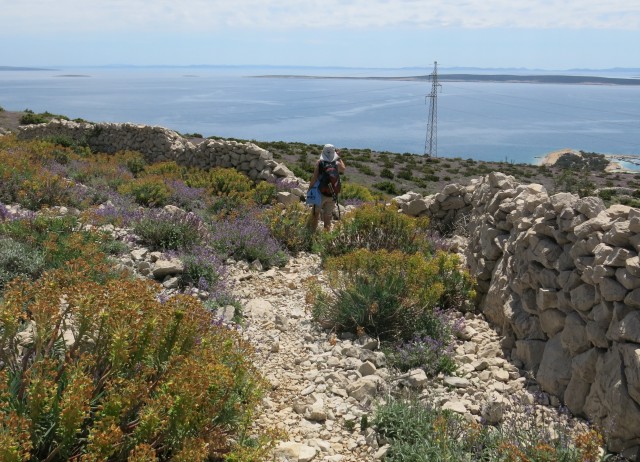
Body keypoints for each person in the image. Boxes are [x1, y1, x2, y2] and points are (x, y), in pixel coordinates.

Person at [308, 144, 346, 232]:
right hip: (332, 194)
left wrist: (310, 189)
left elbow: (314, 178)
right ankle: (326, 237)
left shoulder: (320, 162)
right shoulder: (336, 163)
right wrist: (338, 157)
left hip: (320, 193)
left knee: (315, 213)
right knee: (328, 216)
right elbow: (343, 169)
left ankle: (312, 233)